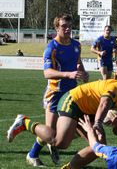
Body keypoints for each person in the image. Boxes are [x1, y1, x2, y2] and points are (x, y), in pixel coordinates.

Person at [7, 74, 117, 169]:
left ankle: (68, 168)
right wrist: (97, 124)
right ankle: (24, 122)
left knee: (99, 145)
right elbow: (104, 104)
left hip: (90, 112)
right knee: (59, 142)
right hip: (74, 101)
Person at [25, 14, 89, 167]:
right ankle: (32, 152)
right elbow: (47, 73)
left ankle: (52, 145)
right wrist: (68, 74)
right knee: (51, 133)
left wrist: (83, 72)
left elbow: (77, 63)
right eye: (63, 27)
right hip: (55, 93)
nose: (67, 29)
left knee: (78, 127)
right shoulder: (52, 48)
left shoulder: (76, 45)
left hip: (72, 93)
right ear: (57, 28)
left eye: (69, 26)